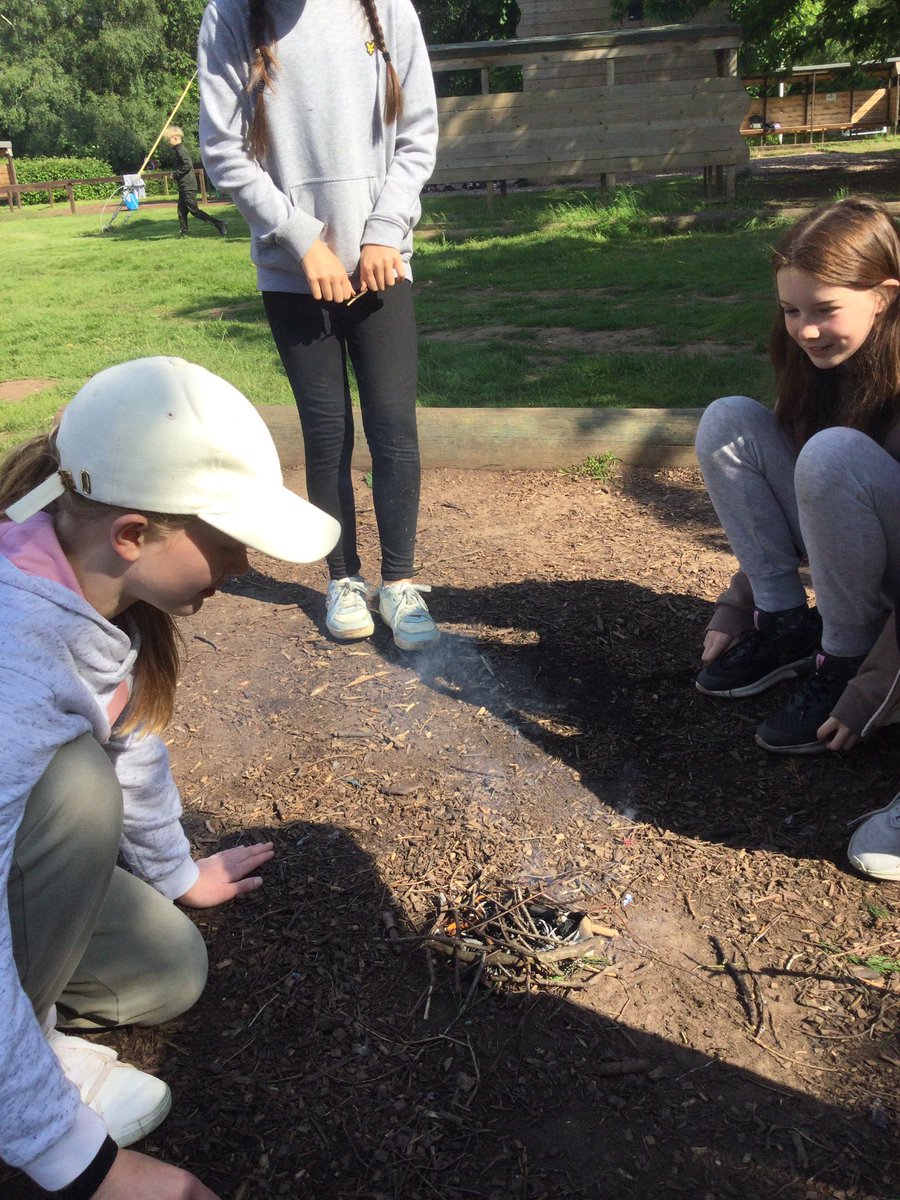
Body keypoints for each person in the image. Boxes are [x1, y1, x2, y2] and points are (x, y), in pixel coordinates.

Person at [0, 356, 339, 1199]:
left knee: (167, 972)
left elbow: (135, 740)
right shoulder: (15, 655)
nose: (243, 569)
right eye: (228, 545)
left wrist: (177, 873)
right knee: (79, 789)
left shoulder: (101, 587)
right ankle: (27, 1076)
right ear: (132, 533)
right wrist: (80, 1162)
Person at [197, 0, 441, 652]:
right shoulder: (229, 15)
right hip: (293, 274)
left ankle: (399, 581)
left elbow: (419, 132)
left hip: (382, 267)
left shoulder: (387, 8)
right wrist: (304, 242)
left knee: (393, 425)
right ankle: (343, 578)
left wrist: (386, 232)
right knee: (326, 429)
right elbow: (222, 148)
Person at [693, 197, 900, 766]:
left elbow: (830, 470)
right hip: (854, 545)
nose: (806, 330)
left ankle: (846, 656)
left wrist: (871, 689)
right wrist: (742, 606)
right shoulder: (813, 358)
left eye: (825, 309)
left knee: (832, 454)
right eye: (790, 309)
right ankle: (784, 623)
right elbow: (802, 488)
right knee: (729, 418)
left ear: (884, 295)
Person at [164, 126, 227, 239]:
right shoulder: (178, 150)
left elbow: (188, 165)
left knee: (194, 210)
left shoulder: (180, 150)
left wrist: (176, 174)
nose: (168, 142)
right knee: (181, 211)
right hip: (185, 185)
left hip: (187, 185)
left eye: (169, 139)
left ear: (175, 138)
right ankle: (184, 233)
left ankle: (219, 223)